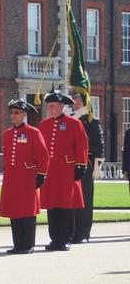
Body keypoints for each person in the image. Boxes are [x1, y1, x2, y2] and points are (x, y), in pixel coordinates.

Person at [39, 88, 88, 251]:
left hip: (67, 171)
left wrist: (80, 166)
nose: (51, 109)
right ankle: (55, 238)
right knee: (52, 207)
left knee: (66, 206)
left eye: (53, 106)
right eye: (49, 106)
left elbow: (81, 146)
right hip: (50, 173)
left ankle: (66, 238)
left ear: (61, 106)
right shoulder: (43, 125)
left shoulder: (74, 123)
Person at [0, 99, 49, 254]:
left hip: (27, 177)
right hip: (12, 178)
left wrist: (41, 174)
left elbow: (43, 156)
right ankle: (18, 244)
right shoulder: (7, 133)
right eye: (12, 113)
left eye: (17, 113)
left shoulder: (33, 132)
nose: (13, 116)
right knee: (14, 211)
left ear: (24, 114)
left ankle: (28, 244)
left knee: (27, 211)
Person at [70, 92, 105, 243]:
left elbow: (99, 146)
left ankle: (83, 233)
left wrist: (97, 168)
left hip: (86, 163)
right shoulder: (71, 119)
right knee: (71, 200)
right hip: (70, 164)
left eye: (76, 97)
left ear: (83, 100)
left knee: (85, 200)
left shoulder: (92, 120)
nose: (73, 100)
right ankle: (71, 232)